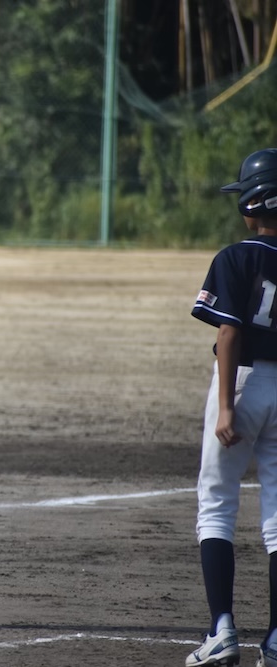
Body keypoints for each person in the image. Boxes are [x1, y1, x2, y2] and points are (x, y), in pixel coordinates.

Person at [188, 148, 277, 667]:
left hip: (241, 383)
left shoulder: (235, 257)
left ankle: (221, 629)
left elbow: (228, 334)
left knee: (217, 501)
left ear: (252, 203)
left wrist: (225, 407)